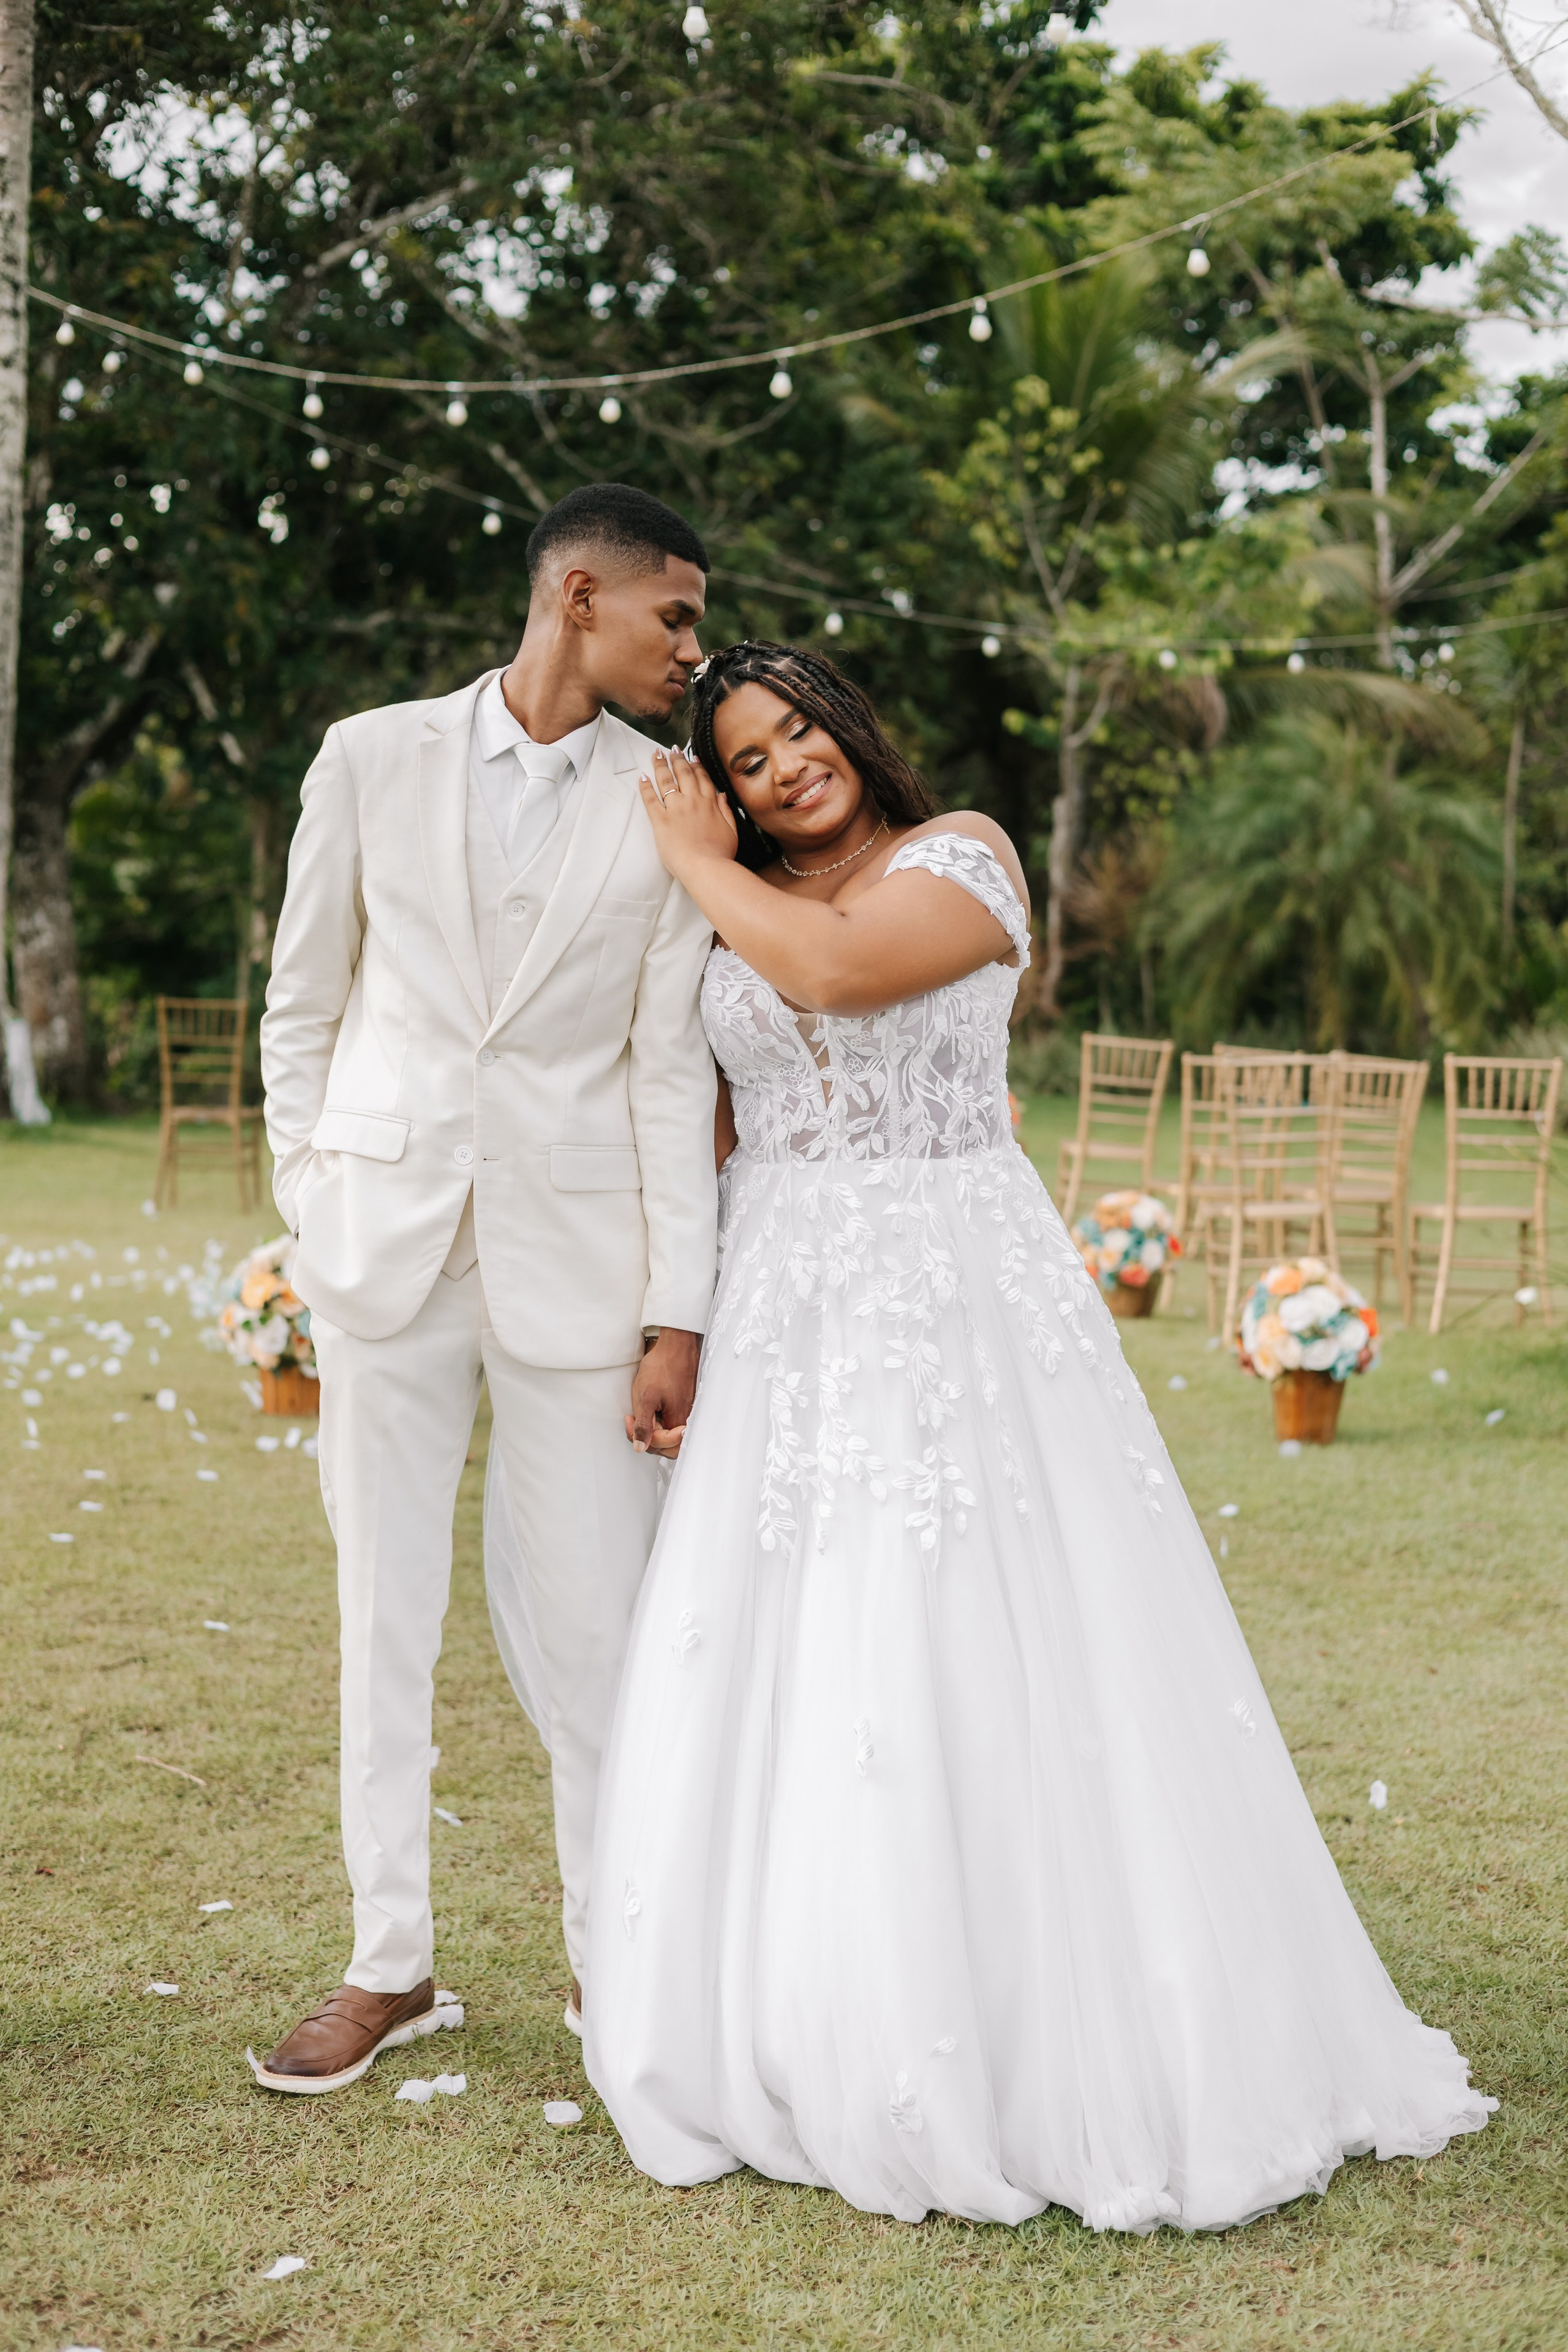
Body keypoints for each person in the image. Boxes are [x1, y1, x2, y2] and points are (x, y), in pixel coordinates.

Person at [577, 638, 1495, 2231]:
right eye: (745, 759)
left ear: (852, 729)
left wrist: (683, 857)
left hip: (955, 1308)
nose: (787, 767)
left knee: (978, 1627)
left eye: (800, 733)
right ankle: (792, 2013)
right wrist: (683, 1323)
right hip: (785, 1303)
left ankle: (1030, 2031)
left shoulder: (965, 855)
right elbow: (717, 1105)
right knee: (791, 1639)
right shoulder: (737, 901)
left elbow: (842, 974)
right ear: (727, 787)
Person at [250, 485, 719, 2094]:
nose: (693, 651)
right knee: (381, 1612)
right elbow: (302, 999)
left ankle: (616, 1965)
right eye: (678, 615)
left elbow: (666, 1071)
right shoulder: (368, 757)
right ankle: (393, 1965)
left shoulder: (671, 801)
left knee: (600, 1626)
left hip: (578, 1264)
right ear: (577, 596)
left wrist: (681, 1309)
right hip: (385, 1245)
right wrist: (311, 1199)